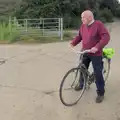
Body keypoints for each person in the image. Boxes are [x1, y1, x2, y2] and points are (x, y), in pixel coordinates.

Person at [70, 10, 110, 103]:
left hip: (96, 53)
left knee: (97, 73)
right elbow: (79, 36)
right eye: (81, 17)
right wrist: (73, 43)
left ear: (89, 17)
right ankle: (81, 84)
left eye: (83, 17)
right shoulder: (83, 26)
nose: (81, 19)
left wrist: (97, 47)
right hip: (85, 51)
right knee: (82, 69)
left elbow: (106, 37)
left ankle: (100, 93)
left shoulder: (98, 24)